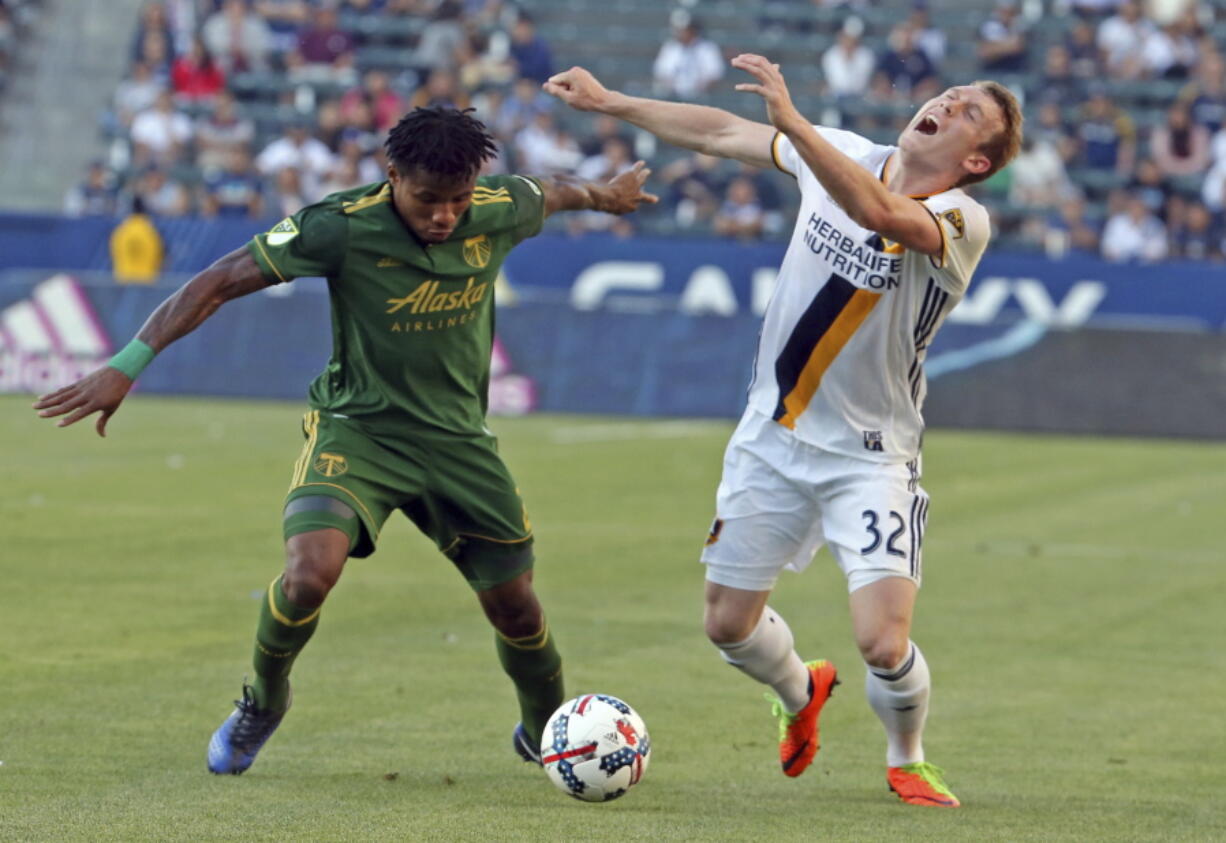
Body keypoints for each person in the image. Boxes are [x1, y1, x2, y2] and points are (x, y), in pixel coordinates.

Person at [33, 106, 658, 776]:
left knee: (516, 605)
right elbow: (218, 280)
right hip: (358, 432)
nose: (445, 215)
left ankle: (548, 734)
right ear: (392, 176)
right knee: (308, 573)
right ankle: (264, 700)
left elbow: (555, 188)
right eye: (427, 200)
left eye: (458, 200)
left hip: (458, 443)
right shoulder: (339, 226)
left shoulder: (501, 206)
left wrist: (604, 195)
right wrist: (126, 364)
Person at [545, 55, 1021, 807]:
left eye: (967, 113)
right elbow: (722, 131)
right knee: (728, 624)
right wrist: (611, 101)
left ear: (974, 160)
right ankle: (801, 692)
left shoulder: (965, 220)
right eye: (949, 94)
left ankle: (908, 756)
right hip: (771, 435)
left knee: (882, 642)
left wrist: (795, 125)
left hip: (870, 455)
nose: (947, 101)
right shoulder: (846, 152)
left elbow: (882, 216)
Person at [109, 196, 164, 284]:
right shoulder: (150, 231)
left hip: (124, 280)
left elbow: (115, 252)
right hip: (146, 280)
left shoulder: (122, 231)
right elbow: (158, 254)